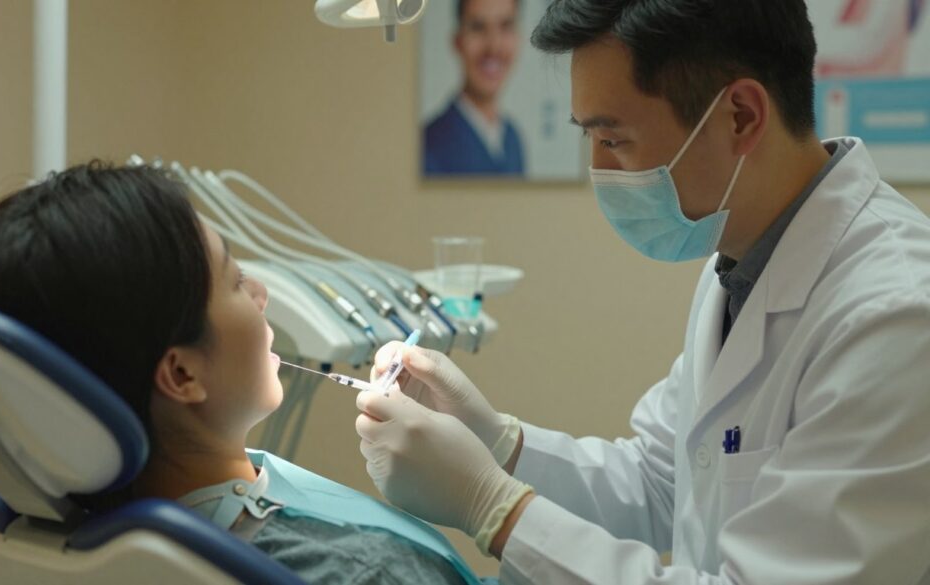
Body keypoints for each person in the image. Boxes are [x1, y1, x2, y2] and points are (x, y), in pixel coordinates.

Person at [355, 1, 930, 583]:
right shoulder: (742, 255)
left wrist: (495, 511)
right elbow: (660, 480)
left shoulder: (896, 317)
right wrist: (496, 442)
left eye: (613, 138)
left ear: (740, 116)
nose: (599, 170)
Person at [0, 162, 480, 585]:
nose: (262, 294)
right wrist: (491, 503)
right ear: (180, 373)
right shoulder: (364, 573)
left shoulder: (80, 534)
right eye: (236, 280)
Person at [424, 0, 525, 176]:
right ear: (457, 42)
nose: (494, 47)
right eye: (478, 27)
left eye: (506, 26)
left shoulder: (513, 141)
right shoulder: (428, 147)